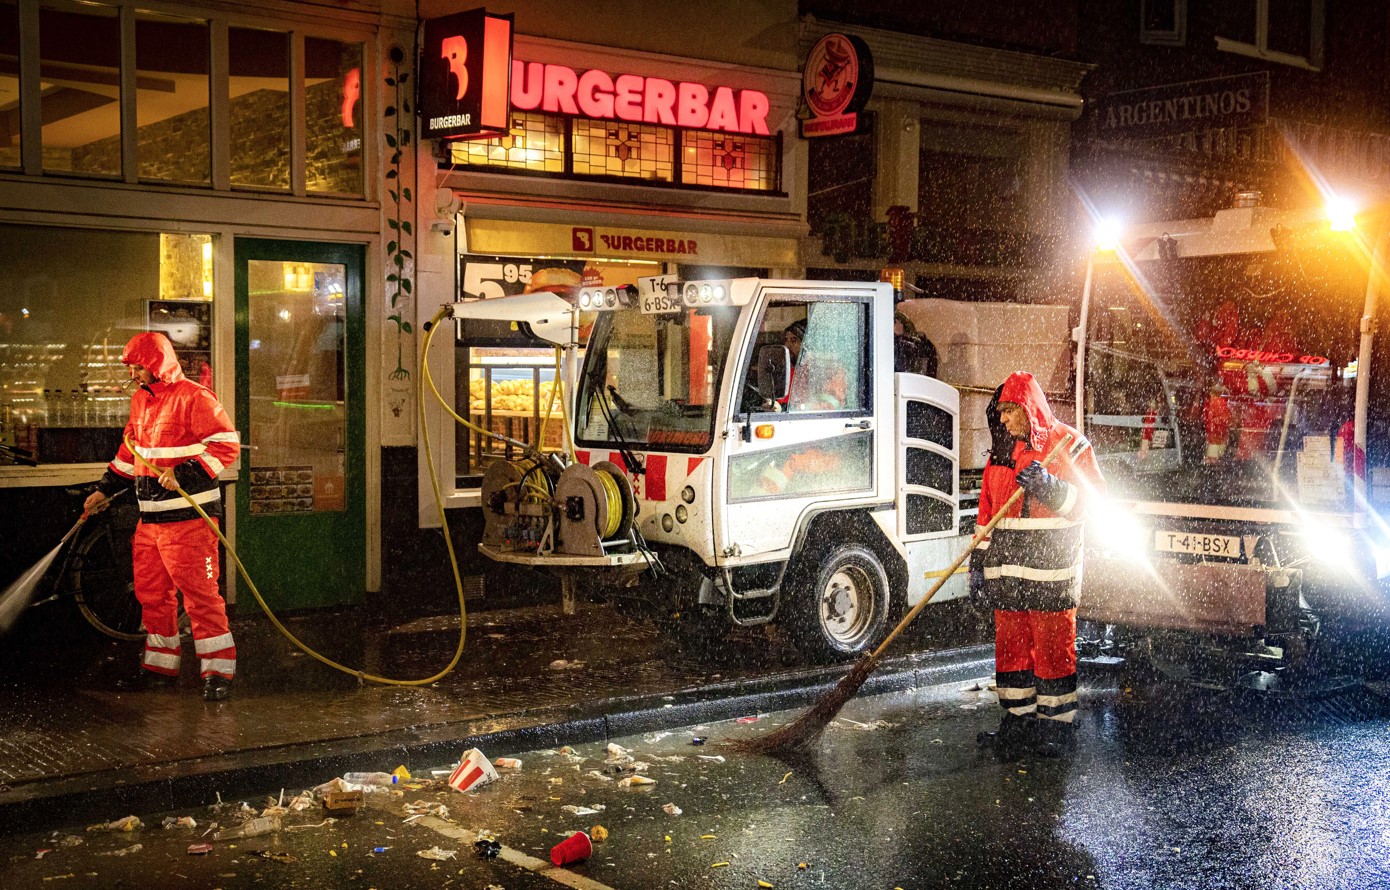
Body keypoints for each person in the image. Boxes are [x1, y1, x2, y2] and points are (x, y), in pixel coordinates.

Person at [83, 333, 241, 702]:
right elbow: (130, 451)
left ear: (157, 364)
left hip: (190, 522)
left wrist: (185, 473)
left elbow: (226, 444)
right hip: (151, 523)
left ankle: (218, 672)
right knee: (152, 596)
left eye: (139, 366)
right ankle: (159, 668)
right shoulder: (142, 400)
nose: (135, 374)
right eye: (133, 368)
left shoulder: (196, 397)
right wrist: (104, 489)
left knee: (201, 598)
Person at [969, 371, 1105, 760]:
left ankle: (1056, 727)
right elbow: (987, 513)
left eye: (1011, 412)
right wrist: (979, 564)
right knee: (1011, 651)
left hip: (1051, 574)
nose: (1005, 421)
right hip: (1008, 577)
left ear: (1030, 410)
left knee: (1052, 650)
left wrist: (1051, 487)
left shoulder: (1070, 447)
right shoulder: (1002, 452)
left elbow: (1095, 504)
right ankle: (1018, 722)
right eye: (1002, 413)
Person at [781, 318, 849, 411]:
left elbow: (832, 403)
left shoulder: (828, 368)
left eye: (794, 340)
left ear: (808, 344)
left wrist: (797, 408)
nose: (787, 346)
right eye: (786, 340)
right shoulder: (791, 369)